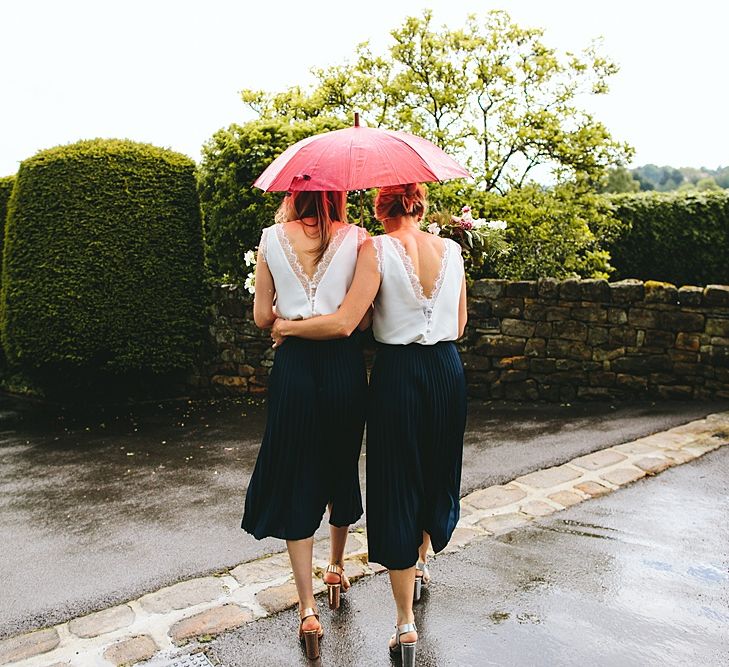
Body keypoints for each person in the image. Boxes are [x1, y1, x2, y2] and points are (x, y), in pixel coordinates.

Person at [272, 183, 468, 666]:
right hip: (447, 369)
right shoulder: (452, 251)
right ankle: (421, 563)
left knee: (397, 483)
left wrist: (289, 327)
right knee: (437, 470)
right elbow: (459, 325)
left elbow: (351, 322)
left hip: (399, 375)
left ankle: (404, 625)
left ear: (381, 210)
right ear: (420, 206)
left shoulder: (375, 248)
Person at [241, 189, 370, 660]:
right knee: (340, 464)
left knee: (298, 474)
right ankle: (336, 568)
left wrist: (284, 324)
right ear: (336, 194)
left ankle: (308, 610)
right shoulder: (359, 239)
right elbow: (356, 318)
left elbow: (260, 316)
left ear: (294, 193)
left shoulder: (271, 239)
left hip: (294, 368)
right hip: (342, 368)